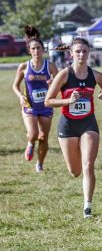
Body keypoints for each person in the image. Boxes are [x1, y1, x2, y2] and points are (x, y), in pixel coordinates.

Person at [45, 38, 102, 218]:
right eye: (78, 52)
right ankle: (80, 181)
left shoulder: (96, 75)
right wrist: (67, 101)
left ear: (89, 52)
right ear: (71, 54)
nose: (81, 55)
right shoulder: (64, 75)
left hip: (88, 123)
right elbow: (48, 100)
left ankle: (87, 207)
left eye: (84, 51)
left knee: (88, 164)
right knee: (75, 171)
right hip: (68, 125)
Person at [12, 26, 58, 172]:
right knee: (34, 134)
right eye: (33, 49)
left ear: (43, 50)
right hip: (29, 104)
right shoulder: (24, 66)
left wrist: (53, 84)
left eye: (39, 48)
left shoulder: (50, 66)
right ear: (29, 51)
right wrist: (20, 96)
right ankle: (30, 143)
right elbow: (15, 85)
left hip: (46, 105)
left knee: (43, 137)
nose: (36, 51)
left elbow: (60, 84)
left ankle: (40, 164)